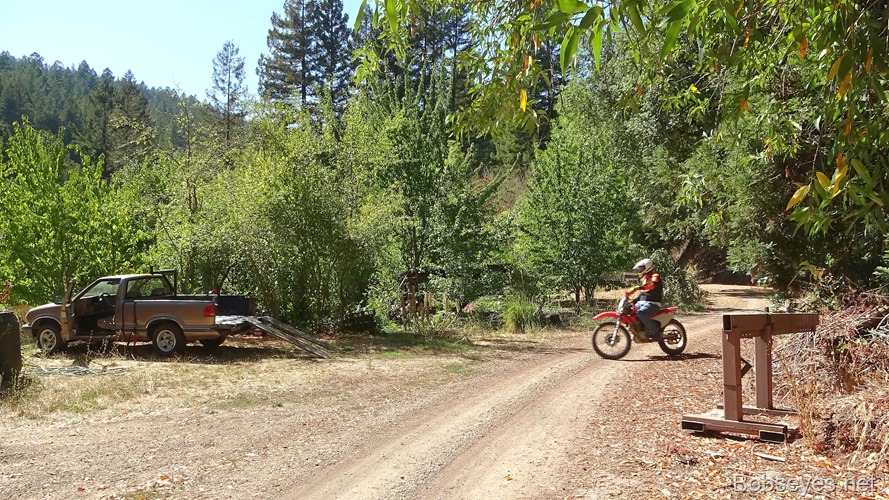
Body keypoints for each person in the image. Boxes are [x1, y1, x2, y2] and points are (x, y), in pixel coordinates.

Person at [627, 258, 663, 340]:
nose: (640, 270)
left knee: (641, 313)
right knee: (630, 311)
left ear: (648, 267)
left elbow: (652, 286)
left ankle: (656, 333)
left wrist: (638, 287)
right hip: (643, 302)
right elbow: (642, 293)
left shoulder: (655, 276)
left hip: (654, 303)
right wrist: (632, 301)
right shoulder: (644, 278)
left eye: (642, 268)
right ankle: (640, 329)